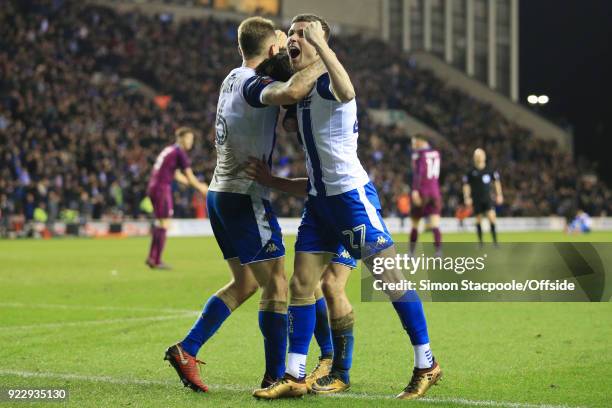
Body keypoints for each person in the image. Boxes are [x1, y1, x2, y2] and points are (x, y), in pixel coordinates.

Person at [252, 15, 441, 400]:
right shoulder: (303, 89)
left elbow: (348, 90)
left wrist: (322, 46)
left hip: (352, 201)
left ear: (320, 39)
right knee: (305, 285)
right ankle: (296, 375)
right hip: (320, 205)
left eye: (303, 33)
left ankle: (427, 363)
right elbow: (306, 151)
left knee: (391, 281)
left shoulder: (330, 81)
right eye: (291, 34)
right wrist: (274, 182)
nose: (294, 38)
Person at [163, 16, 326, 393]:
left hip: (220, 193)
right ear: (271, 49)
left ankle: (187, 348)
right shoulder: (255, 85)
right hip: (243, 195)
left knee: (246, 282)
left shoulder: (231, 77)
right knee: (279, 287)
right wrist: (324, 54)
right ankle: (274, 376)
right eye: (282, 43)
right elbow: (292, 91)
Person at [245, 156, 358, 393]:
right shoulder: (308, 138)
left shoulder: (321, 131)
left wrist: (272, 180)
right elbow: (311, 184)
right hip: (320, 215)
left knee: (331, 285)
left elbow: (317, 182)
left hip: (347, 208)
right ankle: (324, 359)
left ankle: (340, 370)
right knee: (308, 283)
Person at [145, 127, 208, 269]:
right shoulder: (180, 152)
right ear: (181, 138)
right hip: (162, 188)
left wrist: (191, 184)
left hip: (154, 186)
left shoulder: (169, 150)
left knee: (160, 222)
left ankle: (152, 258)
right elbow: (190, 176)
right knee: (165, 223)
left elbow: (176, 174)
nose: (190, 142)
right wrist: (201, 187)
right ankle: (157, 260)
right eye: (189, 139)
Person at [409, 135, 443, 256]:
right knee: (435, 224)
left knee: (415, 224)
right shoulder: (436, 153)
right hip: (435, 192)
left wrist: (415, 190)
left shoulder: (419, 154)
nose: (413, 145)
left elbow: (419, 172)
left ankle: (411, 253)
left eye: (414, 142)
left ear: (420, 142)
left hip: (422, 191)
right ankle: (438, 251)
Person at [463, 148, 503, 246]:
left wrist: (499, 195)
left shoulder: (490, 169)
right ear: (474, 158)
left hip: (488, 198)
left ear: (484, 156)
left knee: (492, 218)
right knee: (478, 220)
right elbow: (466, 185)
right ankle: (480, 242)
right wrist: (467, 197)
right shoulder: (470, 172)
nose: (479, 157)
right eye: (477, 156)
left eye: (480, 155)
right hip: (476, 199)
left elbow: (496, 183)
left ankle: (495, 242)